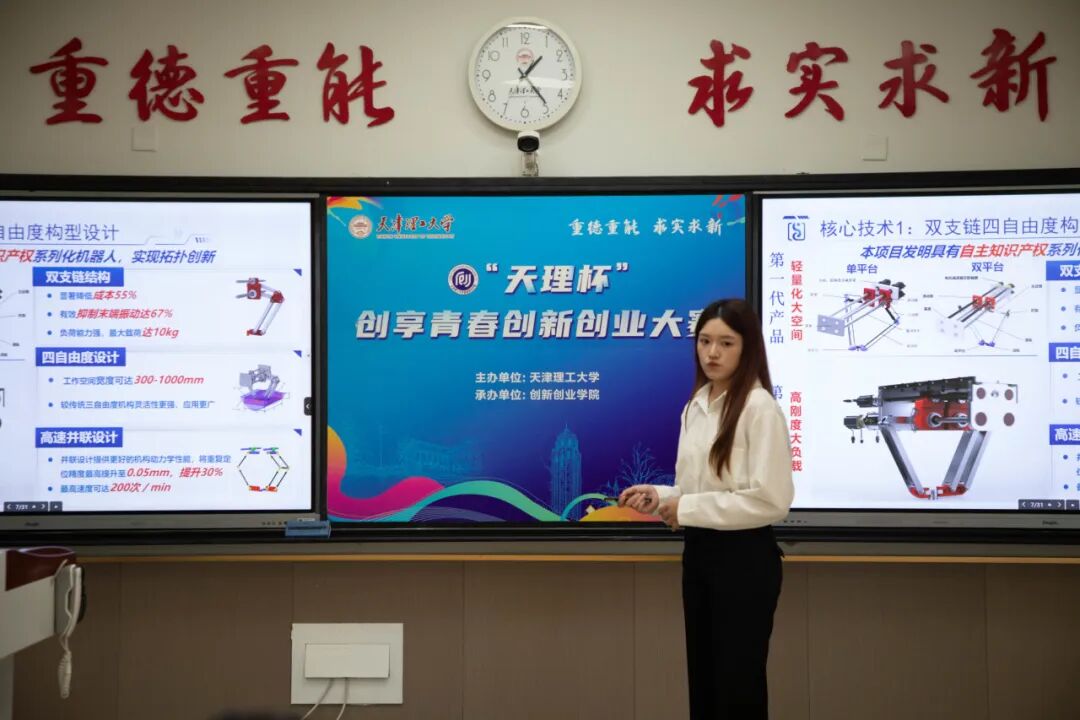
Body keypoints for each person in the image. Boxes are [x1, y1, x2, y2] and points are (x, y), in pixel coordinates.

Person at [619, 298, 793, 719]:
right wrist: (661, 496)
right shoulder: (696, 404)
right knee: (705, 683)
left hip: (744, 560)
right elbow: (696, 488)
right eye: (704, 341)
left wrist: (686, 507)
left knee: (737, 689)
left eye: (726, 343)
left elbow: (770, 500)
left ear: (747, 348)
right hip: (699, 555)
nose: (712, 353)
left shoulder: (759, 408)